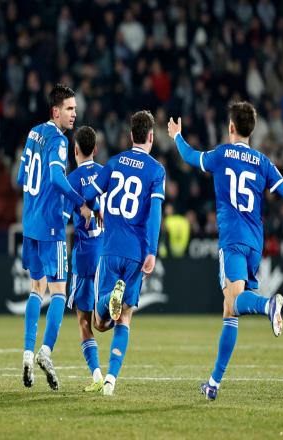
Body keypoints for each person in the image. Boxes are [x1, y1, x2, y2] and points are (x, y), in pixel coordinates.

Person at [167, 101, 283, 401]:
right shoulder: (263, 162)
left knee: (234, 302)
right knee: (230, 309)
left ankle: (268, 305)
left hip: (232, 240)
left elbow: (189, 156)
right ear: (251, 130)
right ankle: (213, 383)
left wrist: (177, 136)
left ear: (231, 127)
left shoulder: (221, 154)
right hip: (255, 243)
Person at [83, 110, 166, 396]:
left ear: (131, 135)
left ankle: (109, 299)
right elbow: (155, 213)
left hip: (109, 249)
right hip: (136, 253)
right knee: (125, 318)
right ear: (151, 137)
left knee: (99, 322)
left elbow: (90, 195)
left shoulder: (114, 163)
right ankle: (111, 380)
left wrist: (97, 209)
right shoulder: (156, 170)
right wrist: (152, 251)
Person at [16, 84, 93, 390]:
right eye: (69, 109)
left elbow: (21, 177)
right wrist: (80, 203)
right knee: (59, 291)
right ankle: (45, 353)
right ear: (55, 111)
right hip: (50, 225)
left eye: (75, 108)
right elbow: (57, 177)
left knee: (36, 289)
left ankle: (26, 354)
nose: (74, 113)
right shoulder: (59, 141)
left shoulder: (33, 133)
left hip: (30, 223)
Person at [63, 126, 105, 392]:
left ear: (75, 150)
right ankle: (110, 312)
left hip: (84, 257)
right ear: (96, 149)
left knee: (84, 321)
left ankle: (97, 375)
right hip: (106, 254)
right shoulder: (106, 174)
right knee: (102, 322)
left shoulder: (72, 179)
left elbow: (63, 217)